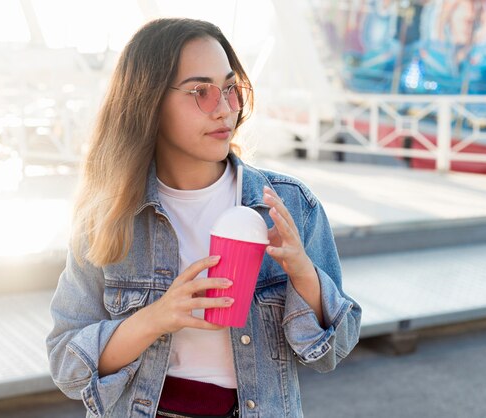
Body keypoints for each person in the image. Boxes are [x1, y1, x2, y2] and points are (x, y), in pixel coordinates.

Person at [46, 18, 362, 418]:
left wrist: (304, 275)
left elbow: (332, 352)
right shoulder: (107, 218)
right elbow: (67, 365)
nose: (226, 108)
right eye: (201, 92)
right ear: (149, 102)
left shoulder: (288, 203)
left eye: (230, 88)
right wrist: (156, 319)